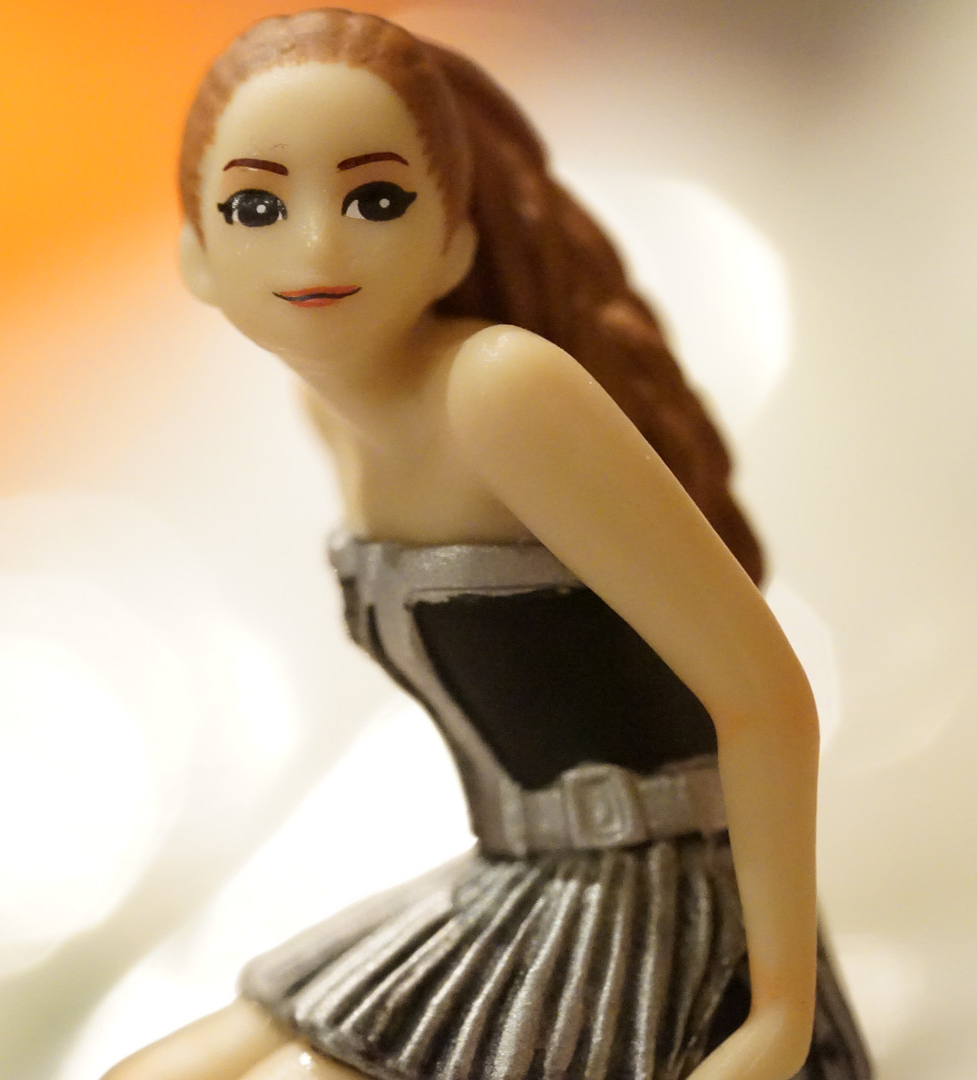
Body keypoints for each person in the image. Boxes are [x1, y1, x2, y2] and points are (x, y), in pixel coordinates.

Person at [105, 10, 870, 1080]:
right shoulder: (329, 417)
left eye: (376, 200)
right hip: (518, 879)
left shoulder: (502, 391)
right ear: (196, 256)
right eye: (257, 207)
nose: (317, 248)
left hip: (659, 897)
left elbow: (766, 696)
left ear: (453, 242)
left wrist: (779, 1012)